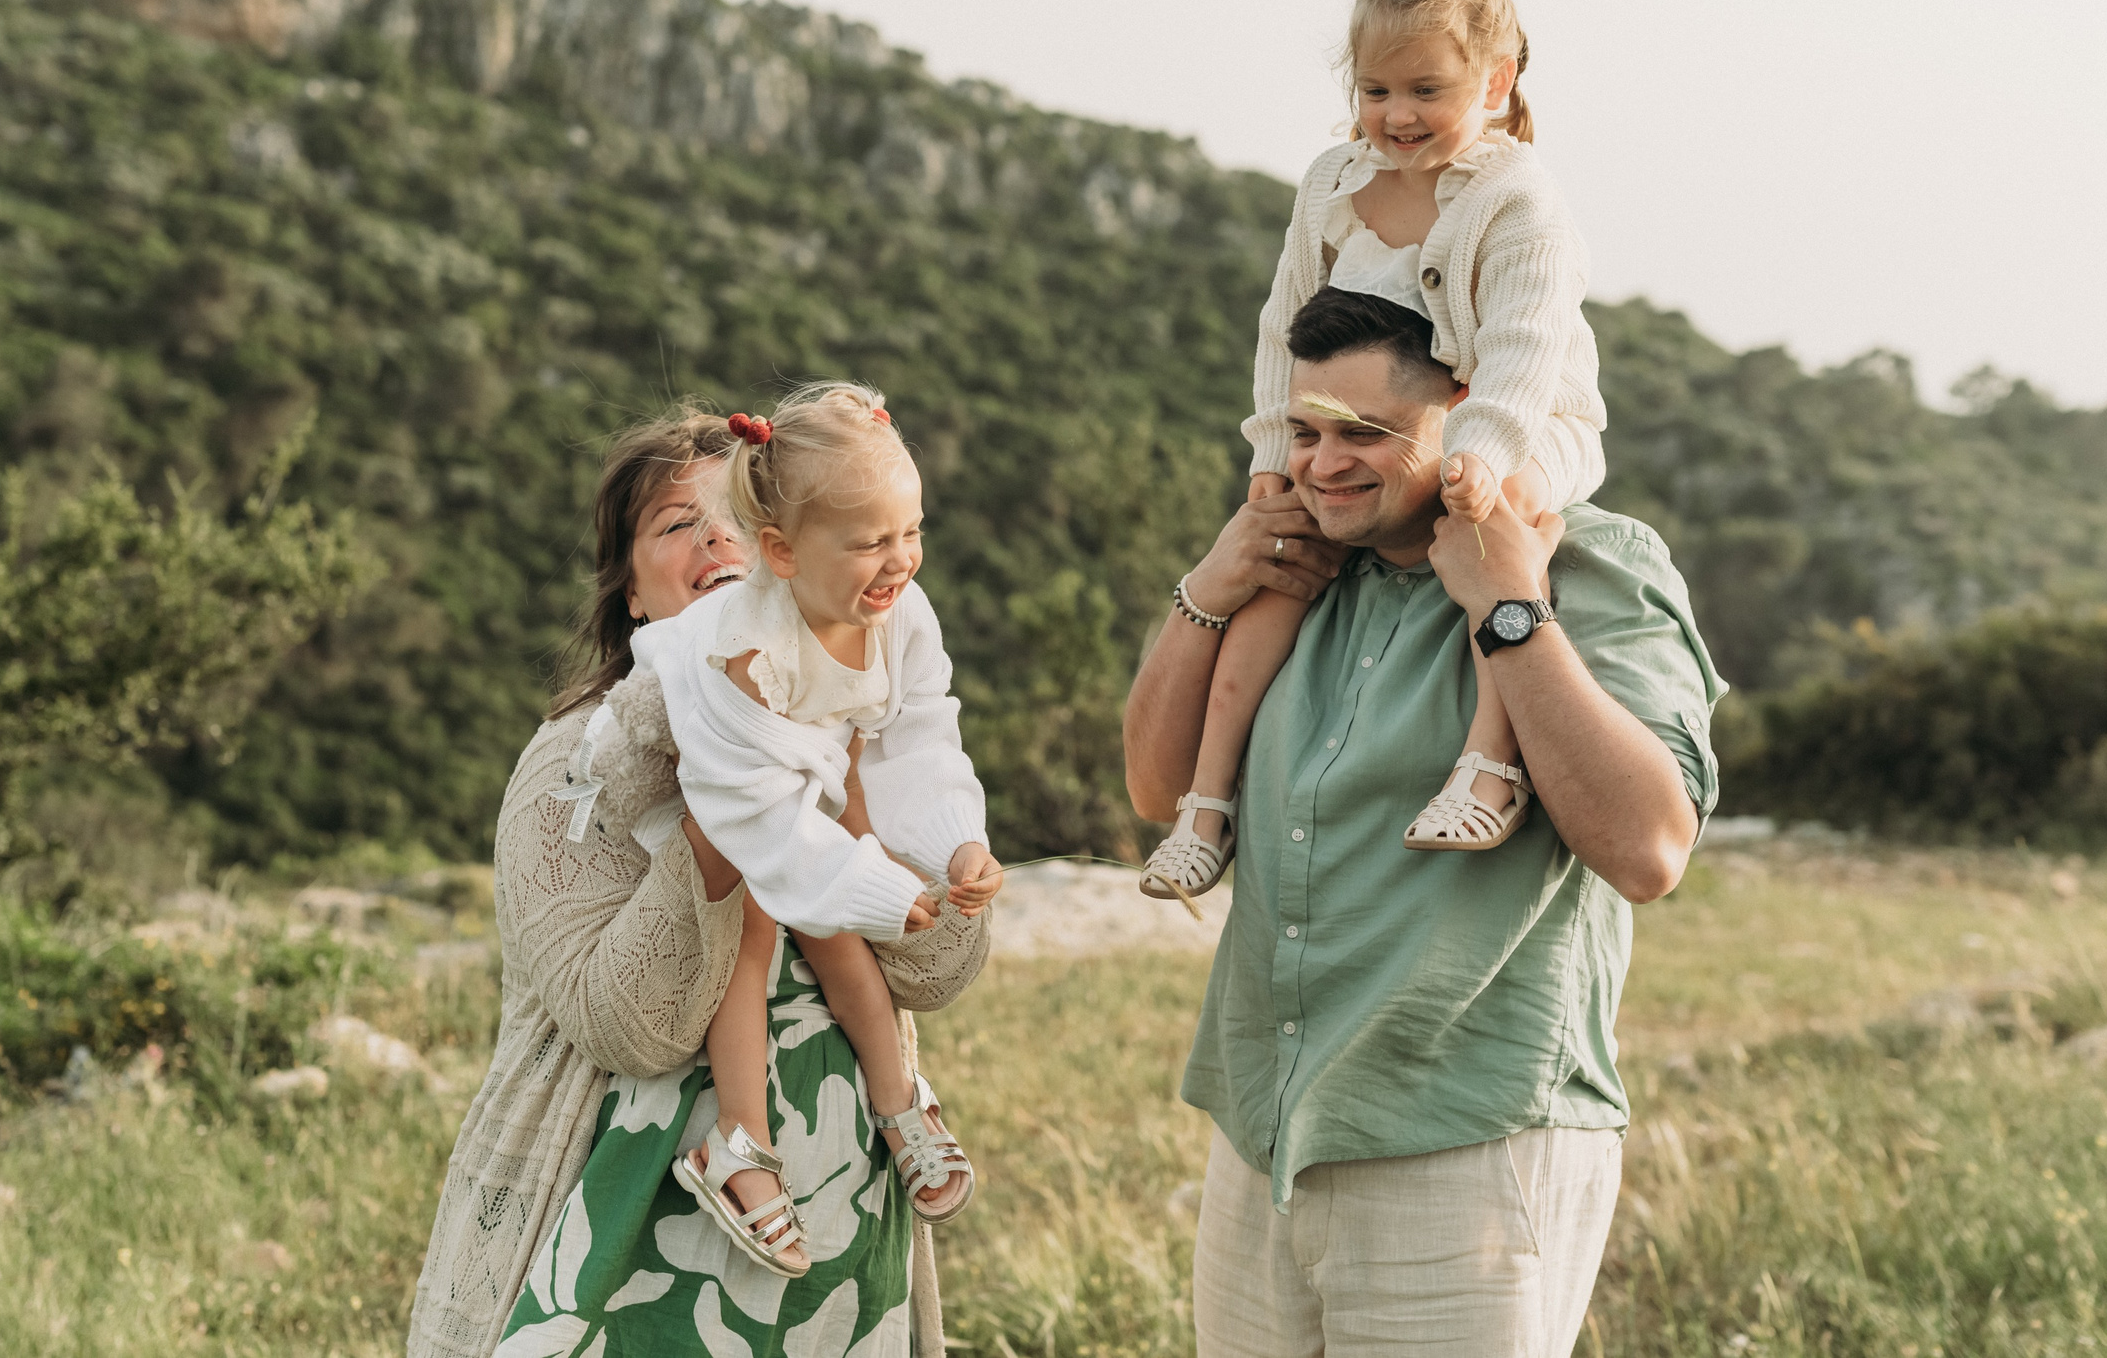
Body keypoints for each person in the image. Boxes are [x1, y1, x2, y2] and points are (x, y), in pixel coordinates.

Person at [1124, 287, 1724, 1355]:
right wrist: (1209, 586)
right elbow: (1154, 785)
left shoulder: (1595, 564)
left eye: (1366, 433)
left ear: (1472, 414)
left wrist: (1508, 607)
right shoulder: (1299, 570)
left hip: (1466, 1149)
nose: (1324, 464)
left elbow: (1649, 848)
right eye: (1305, 433)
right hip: (1260, 1136)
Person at [406, 408, 989, 1358]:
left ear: (783, 553)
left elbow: (937, 967)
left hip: (837, 1237)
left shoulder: (858, 709)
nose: (717, 539)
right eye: (679, 524)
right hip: (622, 1237)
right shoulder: (577, 762)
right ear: (631, 592)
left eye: (735, 519)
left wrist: (865, 806)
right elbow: (629, 1028)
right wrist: (724, 797)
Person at [1141, 0, 1609, 904]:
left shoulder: (1517, 200)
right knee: (1286, 543)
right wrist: (1275, 450)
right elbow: (1284, 325)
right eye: (1375, 89)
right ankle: (1207, 801)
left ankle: (1488, 763)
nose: (1397, 115)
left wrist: (1481, 457)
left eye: (1427, 90)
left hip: (1527, 418)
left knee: (1505, 527)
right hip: (1370, 430)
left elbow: (1523, 348)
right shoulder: (1332, 184)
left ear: (1496, 82)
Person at [625, 383, 998, 1277]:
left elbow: (919, 731)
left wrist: (956, 841)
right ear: (783, 553)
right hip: (719, 777)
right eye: (870, 542)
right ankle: (738, 1142)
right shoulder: (744, 654)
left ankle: (898, 1099)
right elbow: (754, 814)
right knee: (751, 927)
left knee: (836, 935)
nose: (900, 560)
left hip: (801, 768)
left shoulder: (898, 612)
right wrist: (869, 884)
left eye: (911, 531)